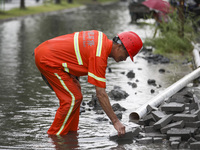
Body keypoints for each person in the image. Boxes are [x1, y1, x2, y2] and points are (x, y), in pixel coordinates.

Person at [34, 30, 143, 136]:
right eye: (127, 55)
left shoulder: (100, 38)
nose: (125, 59)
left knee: (76, 94)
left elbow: (77, 54)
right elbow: (100, 94)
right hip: (48, 59)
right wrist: (116, 121)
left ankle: (71, 134)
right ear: (119, 47)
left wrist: (74, 78)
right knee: (71, 99)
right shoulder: (99, 55)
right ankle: (54, 137)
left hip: (48, 52)